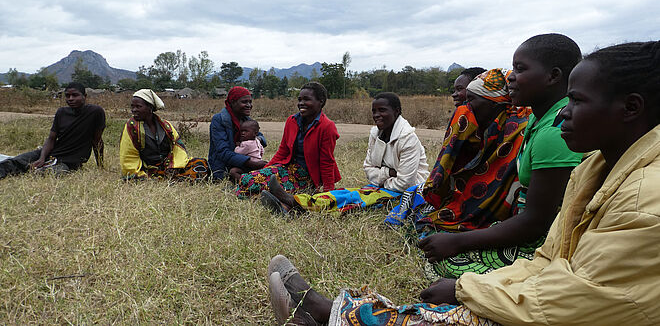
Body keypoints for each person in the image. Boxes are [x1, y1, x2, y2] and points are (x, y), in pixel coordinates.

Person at [268, 40, 660, 325]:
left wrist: (466, 285)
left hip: (543, 268)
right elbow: (551, 260)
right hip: (536, 261)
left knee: (450, 274)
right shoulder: (594, 166)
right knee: (396, 208)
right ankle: (303, 212)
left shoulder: (643, 197)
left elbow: (571, 288)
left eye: (470, 100)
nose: (565, 116)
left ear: (630, 109)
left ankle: (334, 314)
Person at [408, 35, 583, 280]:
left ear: (553, 76)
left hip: (551, 241)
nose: (510, 76)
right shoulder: (537, 118)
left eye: (520, 69)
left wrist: (458, 242)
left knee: (446, 265)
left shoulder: (556, 132)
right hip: (525, 225)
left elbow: (536, 222)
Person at [384, 69, 532, 278]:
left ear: (495, 103)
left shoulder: (517, 132)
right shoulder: (484, 126)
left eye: (471, 99)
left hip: (509, 227)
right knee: (415, 200)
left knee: (436, 251)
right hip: (478, 216)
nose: (466, 107)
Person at [262, 92, 429, 214]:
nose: (377, 115)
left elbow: (405, 183)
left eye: (382, 110)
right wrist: (388, 173)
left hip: (408, 194)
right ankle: (289, 208)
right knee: (343, 192)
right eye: (374, 111)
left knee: (354, 200)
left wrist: (381, 179)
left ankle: (294, 201)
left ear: (397, 111)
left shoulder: (408, 139)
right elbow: (369, 169)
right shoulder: (375, 134)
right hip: (382, 185)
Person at [236, 82, 340, 197]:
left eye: (306, 100)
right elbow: (283, 151)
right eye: (299, 100)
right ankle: (268, 194)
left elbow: (327, 161)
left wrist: (328, 191)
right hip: (288, 168)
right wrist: (265, 170)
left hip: (308, 176)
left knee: (256, 184)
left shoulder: (327, 126)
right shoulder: (292, 121)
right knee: (247, 178)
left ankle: (274, 196)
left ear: (320, 101)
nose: (301, 103)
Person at [0, 82, 105, 179]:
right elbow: (51, 139)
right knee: (15, 162)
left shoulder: (95, 112)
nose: (70, 99)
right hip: (51, 152)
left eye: (75, 95)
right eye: (67, 96)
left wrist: (100, 166)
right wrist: (42, 158)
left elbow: (97, 141)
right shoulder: (61, 112)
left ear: (84, 96)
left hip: (69, 162)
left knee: (47, 173)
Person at [119, 89, 209, 181]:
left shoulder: (165, 125)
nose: (134, 110)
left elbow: (177, 146)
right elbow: (128, 156)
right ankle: (174, 178)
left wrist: (174, 165)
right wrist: (137, 173)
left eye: (138, 106)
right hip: (148, 169)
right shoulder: (131, 128)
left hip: (169, 166)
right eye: (132, 106)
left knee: (201, 164)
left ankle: (174, 177)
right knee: (143, 177)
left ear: (150, 107)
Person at [208, 86, 267, 181]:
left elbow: (261, 137)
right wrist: (251, 163)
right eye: (244, 102)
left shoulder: (246, 120)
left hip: (243, 165)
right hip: (223, 169)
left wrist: (254, 141)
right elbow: (223, 152)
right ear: (232, 102)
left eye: (250, 102)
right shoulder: (219, 120)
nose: (249, 105)